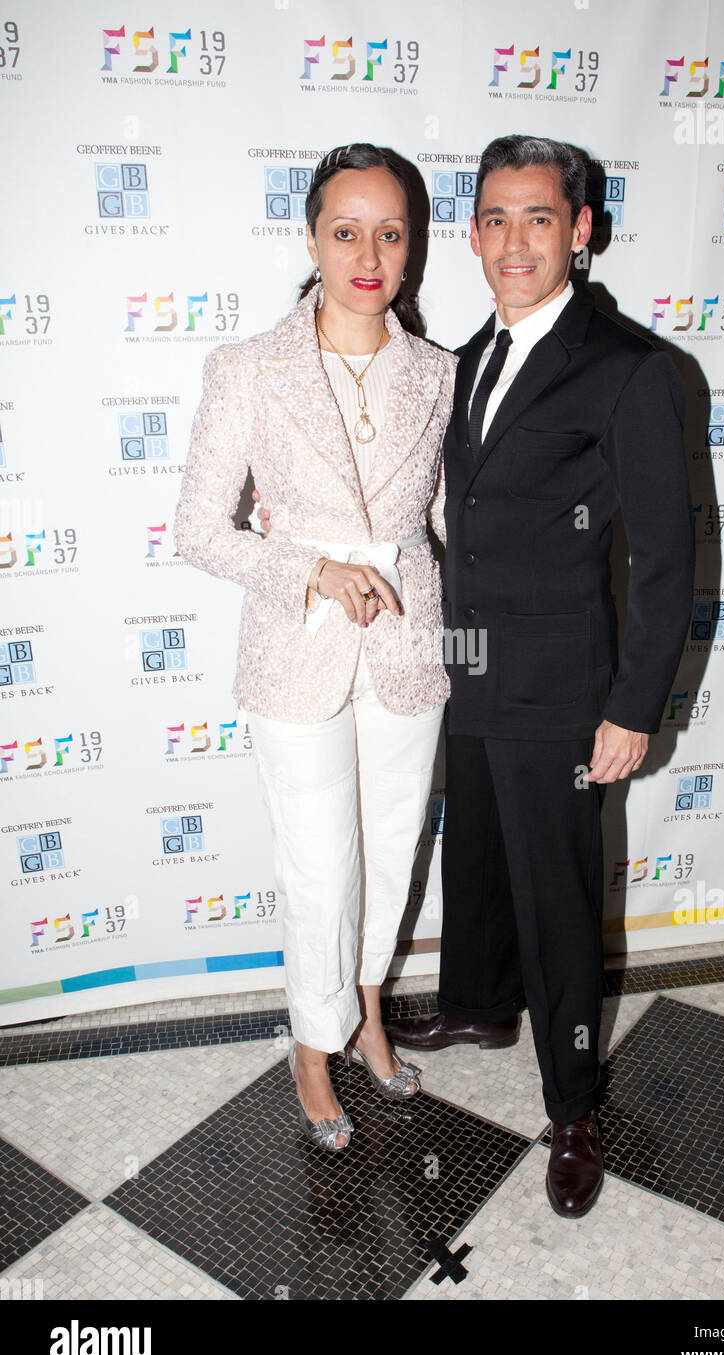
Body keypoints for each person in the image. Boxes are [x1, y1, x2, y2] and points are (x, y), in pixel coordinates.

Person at [387, 135, 695, 1217]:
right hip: (469, 664)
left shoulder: (630, 368)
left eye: (537, 218)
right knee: (471, 848)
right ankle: (477, 1001)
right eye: (494, 220)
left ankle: (572, 1104)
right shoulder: (467, 356)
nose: (513, 242)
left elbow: (664, 556)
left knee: (558, 903)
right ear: (470, 236)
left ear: (580, 230)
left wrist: (630, 707)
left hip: (562, 689)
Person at [174, 143, 456, 1152]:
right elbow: (199, 529)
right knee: (318, 868)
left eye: (390, 232)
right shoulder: (248, 368)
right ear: (310, 239)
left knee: (388, 855)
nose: (368, 254)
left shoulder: (439, 372)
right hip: (296, 644)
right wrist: (310, 568)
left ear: (411, 245)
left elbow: (440, 518)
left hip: (408, 645)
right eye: (346, 231)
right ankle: (311, 1042)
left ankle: (367, 1014)